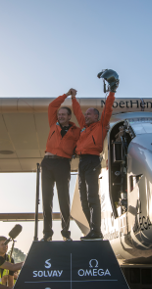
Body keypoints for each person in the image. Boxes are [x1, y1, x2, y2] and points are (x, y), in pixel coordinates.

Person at [71, 73, 117, 241]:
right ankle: (92, 230)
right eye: (87, 114)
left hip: (92, 161)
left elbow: (108, 108)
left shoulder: (101, 125)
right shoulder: (84, 127)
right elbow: (77, 113)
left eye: (89, 114)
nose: (86, 116)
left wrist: (111, 91)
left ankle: (96, 231)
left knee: (91, 196)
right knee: (83, 199)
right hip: (82, 163)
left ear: (97, 116)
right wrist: (74, 98)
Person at [41, 89, 80, 242]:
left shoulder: (76, 131)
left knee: (63, 199)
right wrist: (66, 96)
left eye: (64, 114)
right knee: (46, 200)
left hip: (63, 164)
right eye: (59, 114)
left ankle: (65, 233)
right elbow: (52, 106)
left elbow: (84, 143)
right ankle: (47, 234)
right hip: (47, 163)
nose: (60, 116)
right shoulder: (53, 124)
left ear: (69, 117)